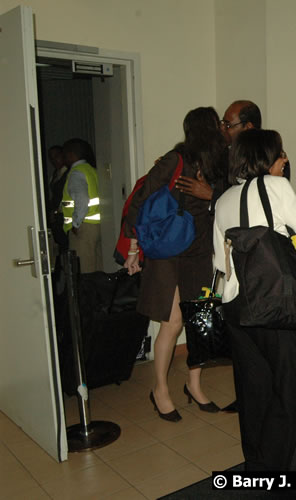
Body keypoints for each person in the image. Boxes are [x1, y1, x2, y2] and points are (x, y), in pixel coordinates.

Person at [213, 128, 296, 470]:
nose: (285, 159)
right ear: (265, 157)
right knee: (286, 385)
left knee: (252, 386)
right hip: (274, 303)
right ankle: (273, 467)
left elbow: (220, 263)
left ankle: (255, 459)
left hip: (235, 307)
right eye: (280, 153)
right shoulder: (276, 187)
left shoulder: (223, 199)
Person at [123, 107, 225, 422]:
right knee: (172, 322)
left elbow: (229, 199)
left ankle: (193, 385)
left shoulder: (219, 164)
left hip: (199, 250)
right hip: (168, 248)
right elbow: (140, 200)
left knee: (198, 320)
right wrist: (133, 247)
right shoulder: (175, 160)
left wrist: (211, 196)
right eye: (216, 124)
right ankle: (160, 390)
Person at [176, 99, 263, 415]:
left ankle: (261, 394)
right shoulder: (225, 157)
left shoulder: (268, 156)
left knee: (257, 332)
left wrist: (210, 195)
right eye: (222, 125)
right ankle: (244, 394)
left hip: (256, 259)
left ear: (248, 127)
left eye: (229, 124)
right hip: (223, 258)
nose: (223, 130)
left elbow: (252, 206)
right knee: (235, 328)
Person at [60, 138, 103, 273]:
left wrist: (75, 224)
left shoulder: (76, 172)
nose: (64, 158)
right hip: (97, 226)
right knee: (97, 269)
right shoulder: (92, 170)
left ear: (72, 154)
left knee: (84, 271)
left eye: (65, 154)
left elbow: (82, 199)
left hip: (83, 228)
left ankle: (89, 295)